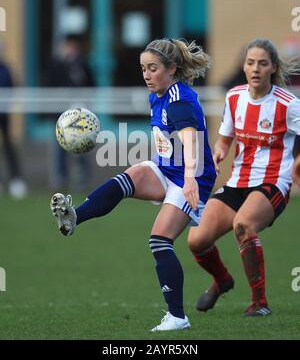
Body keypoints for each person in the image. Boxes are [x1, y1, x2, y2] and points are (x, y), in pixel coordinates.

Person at [50, 38, 217, 331]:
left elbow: (191, 140)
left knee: (159, 240)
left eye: (153, 69)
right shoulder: (158, 94)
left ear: (172, 68)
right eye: (143, 69)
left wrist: (190, 178)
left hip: (192, 177)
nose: (146, 75)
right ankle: (75, 216)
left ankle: (177, 317)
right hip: (167, 168)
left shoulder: (179, 99)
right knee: (126, 179)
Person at [188, 37, 300, 317]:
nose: (256, 68)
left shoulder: (288, 104)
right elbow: (225, 139)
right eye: (251, 63)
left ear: (273, 67)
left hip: (274, 182)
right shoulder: (235, 97)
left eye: (263, 63)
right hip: (239, 181)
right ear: (244, 66)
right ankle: (222, 280)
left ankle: (259, 303)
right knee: (196, 240)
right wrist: (219, 152)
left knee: (243, 225)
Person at [44, 35, 95, 189]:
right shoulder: (56, 64)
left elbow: (91, 84)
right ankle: (60, 179)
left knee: (83, 148)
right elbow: (49, 85)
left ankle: (82, 180)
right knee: (59, 148)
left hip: (80, 116)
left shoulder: (82, 64)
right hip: (61, 115)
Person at [0, 41, 27, 198]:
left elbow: (13, 88)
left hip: (4, 115)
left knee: (9, 146)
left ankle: (16, 181)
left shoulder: (6, 69)